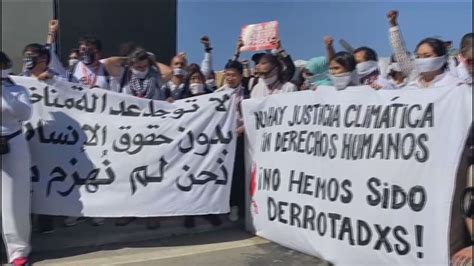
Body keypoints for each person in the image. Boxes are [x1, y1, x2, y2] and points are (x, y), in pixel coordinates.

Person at [1, 51, 33, 266]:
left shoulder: (16, 89)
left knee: (14, 200)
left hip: (11, 143)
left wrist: (4, 92)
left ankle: (18, 251)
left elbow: (24, 113)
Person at [215, 60, 247, 221]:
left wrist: (243, 128)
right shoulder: (218, 94)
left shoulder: (248, 94)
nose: (230, 78)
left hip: (242, 139)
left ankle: (236, 206)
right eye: (227, 75)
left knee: (238, 174)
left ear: (241, 76)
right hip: (223, 140)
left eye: (233, 75)